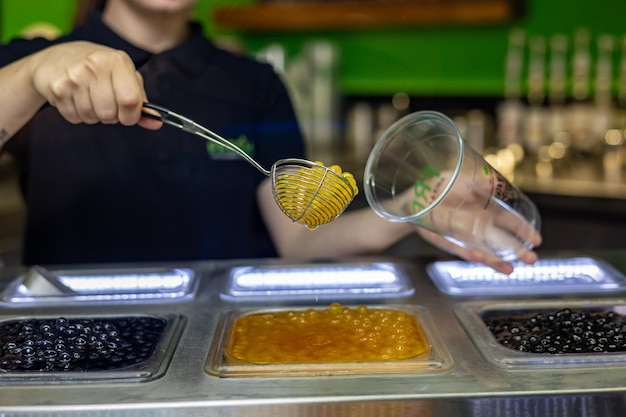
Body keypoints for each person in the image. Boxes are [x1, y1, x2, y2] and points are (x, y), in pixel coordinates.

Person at [0, 0, 540, 274]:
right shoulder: (30, 67)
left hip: (223, 341)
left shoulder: (253, 84)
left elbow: (298, 237)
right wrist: (32, 72)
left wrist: (415, 206)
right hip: (66, 345)